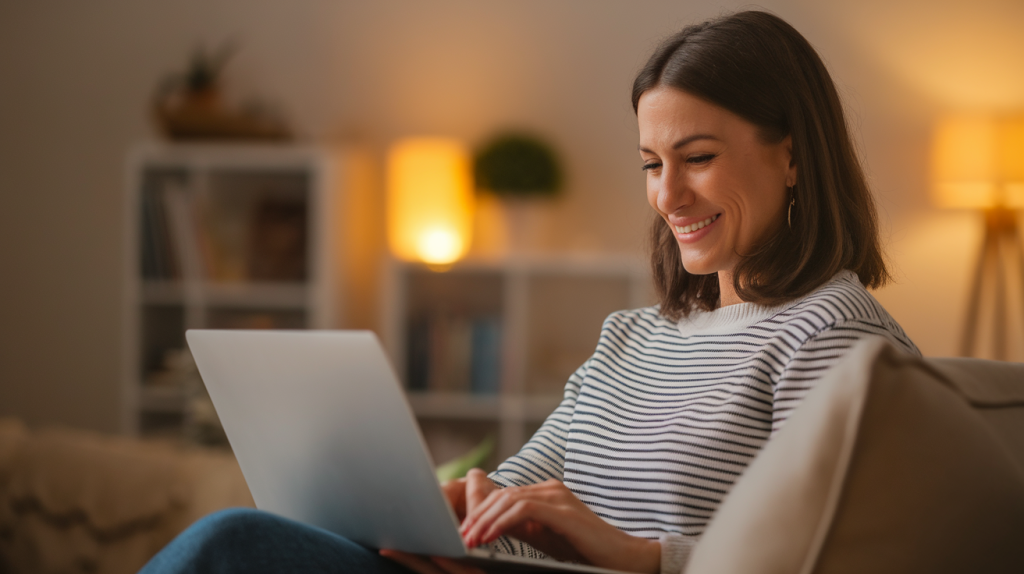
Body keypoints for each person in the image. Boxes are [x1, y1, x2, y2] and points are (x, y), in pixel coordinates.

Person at [140, 10, 919, 574]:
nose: (669, 195)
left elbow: (835, 558)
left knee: (231, 546)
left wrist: (643, 557)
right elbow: (523, 492)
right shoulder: (634, 337)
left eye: (699, 157)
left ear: (791, 157)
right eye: (652, 164)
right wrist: (461, 519)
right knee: (240, 540)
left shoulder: (832, 338)